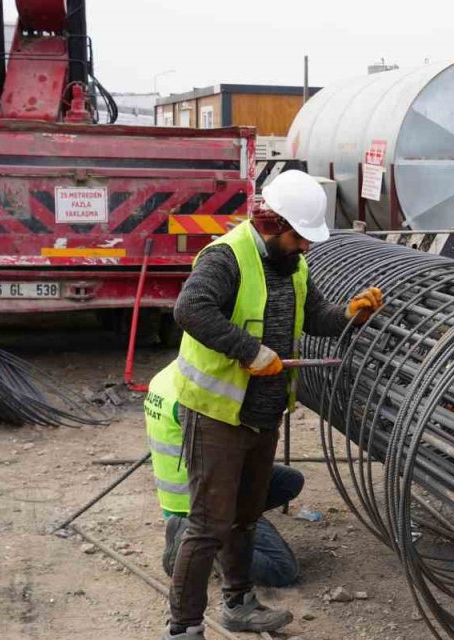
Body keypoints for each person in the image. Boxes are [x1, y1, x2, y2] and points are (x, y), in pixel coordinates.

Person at [160, 170, 383, 640]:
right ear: (271, 224)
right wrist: (250, 351)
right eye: (299, 238)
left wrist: (350, 314)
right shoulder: (226, 258)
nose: (305, 248)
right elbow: (190, 310)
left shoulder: (292, 265)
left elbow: (316, 317)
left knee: (245, 517)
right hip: (219, 414)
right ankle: (182, 629)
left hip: (263, 413)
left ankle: (239, 604)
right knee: (208, 525)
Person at [145, 366, 303, 588]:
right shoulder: (201, 396)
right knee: (282, 570)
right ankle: (206, 544)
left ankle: (197, 530)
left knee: (289, 481)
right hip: (202, 500)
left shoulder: (167, 376)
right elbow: (227, 462)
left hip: (183, 489)